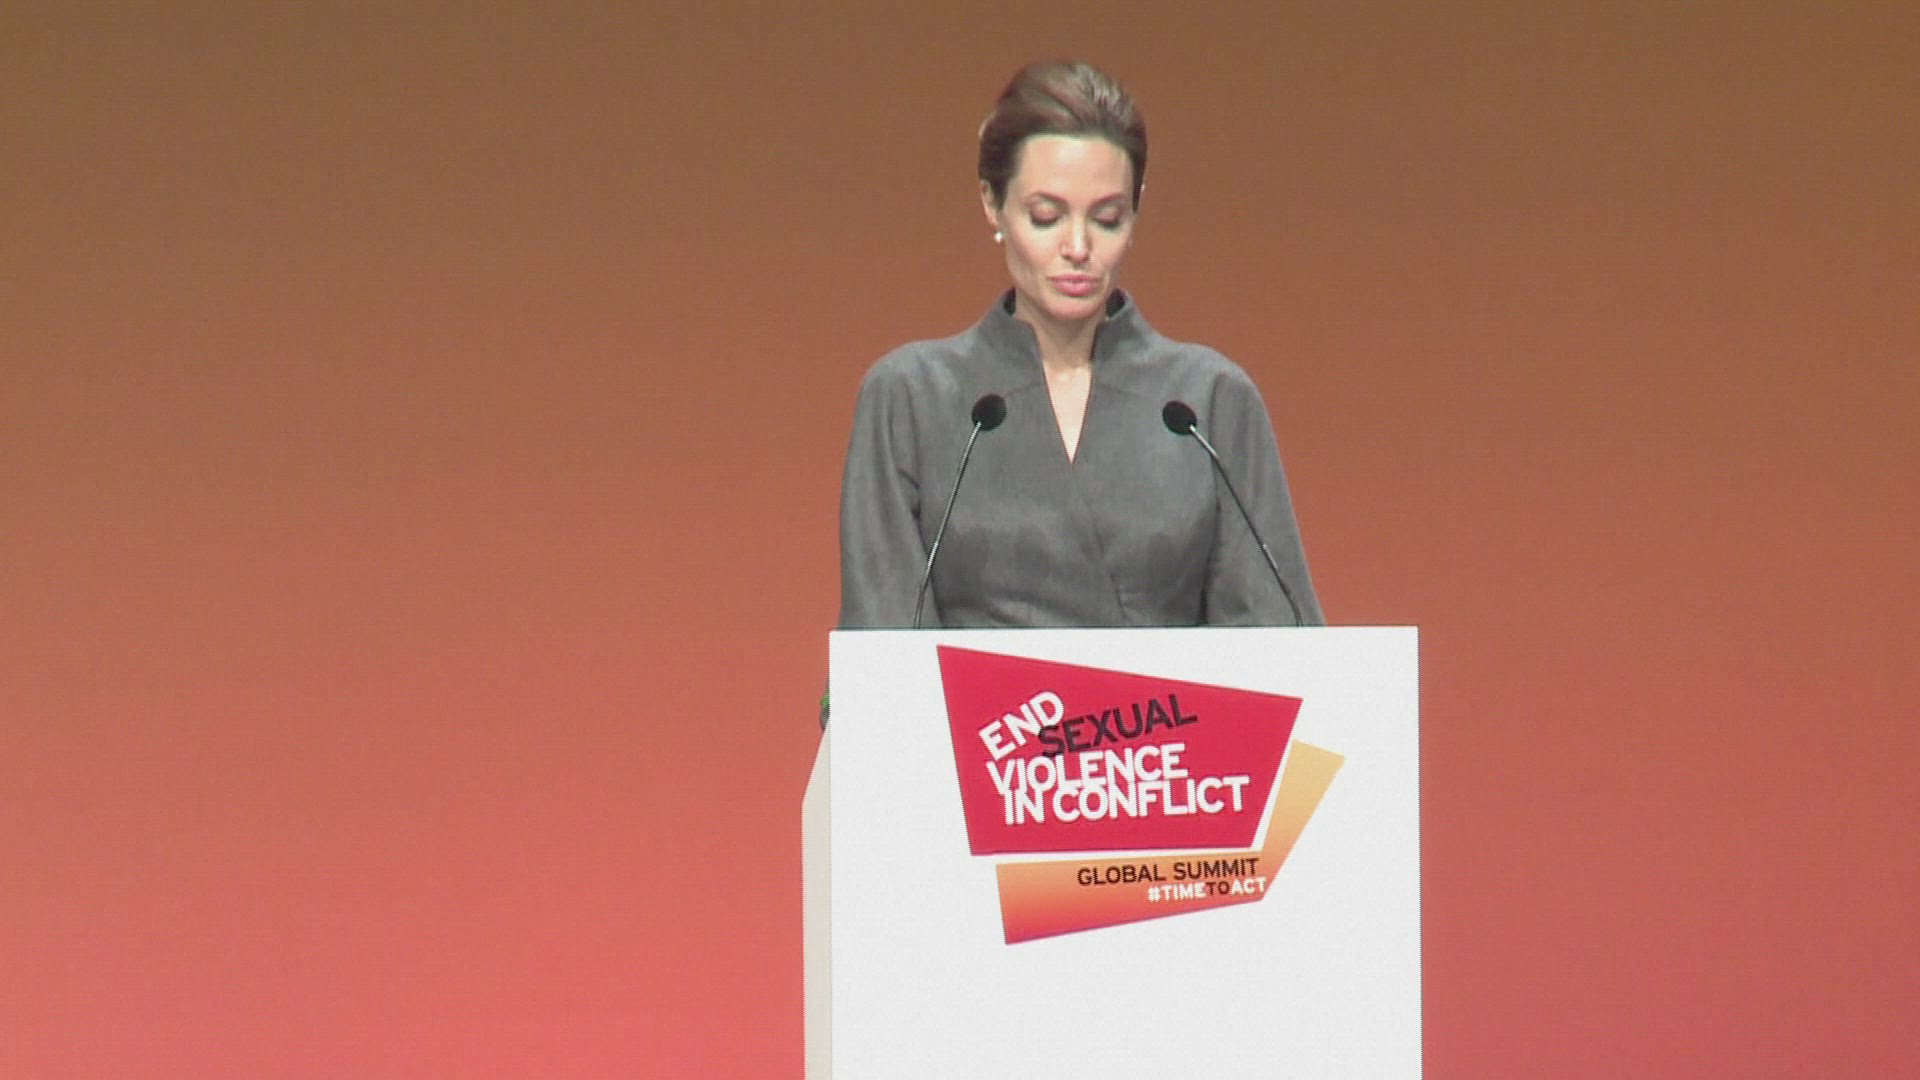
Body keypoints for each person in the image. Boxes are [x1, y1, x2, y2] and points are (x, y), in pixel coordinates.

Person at [836, 60, 1322, 635]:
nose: (1078, 247)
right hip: (973, 701)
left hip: (1169, 700)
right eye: (1046, 216)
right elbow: (884, 646)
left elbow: (1277, 642)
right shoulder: (912, 399)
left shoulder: (1207, 402)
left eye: (1107, 219)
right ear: (992, 203)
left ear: (1136, 210)